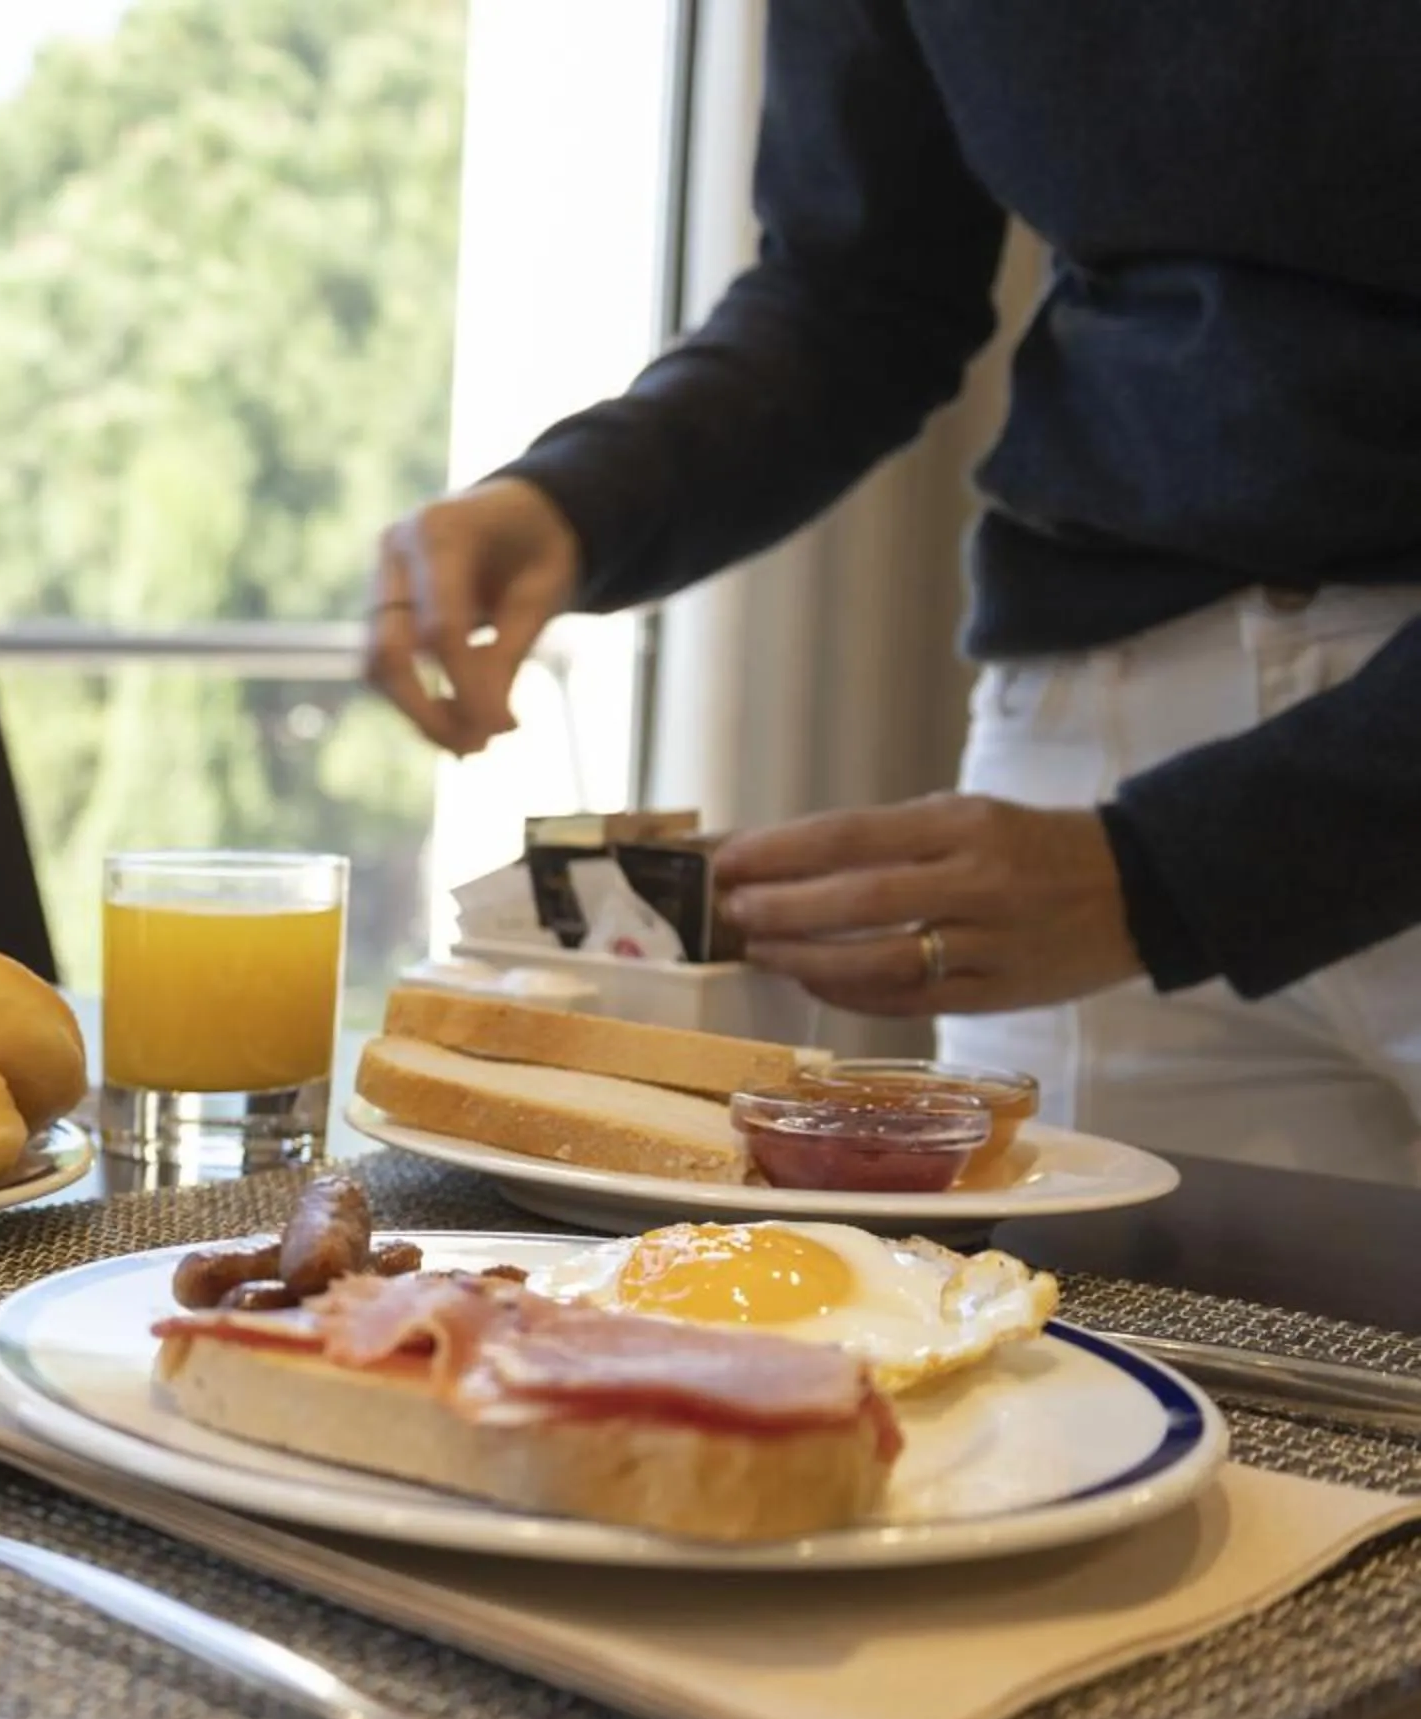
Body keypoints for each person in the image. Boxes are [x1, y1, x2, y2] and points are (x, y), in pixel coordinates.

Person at [362, 2, 1421, 1187]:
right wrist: (576, 501)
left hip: (1227, 814)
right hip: (1092, 759)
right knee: (1047, 1354)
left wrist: (1174, 872)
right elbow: (857, 289)